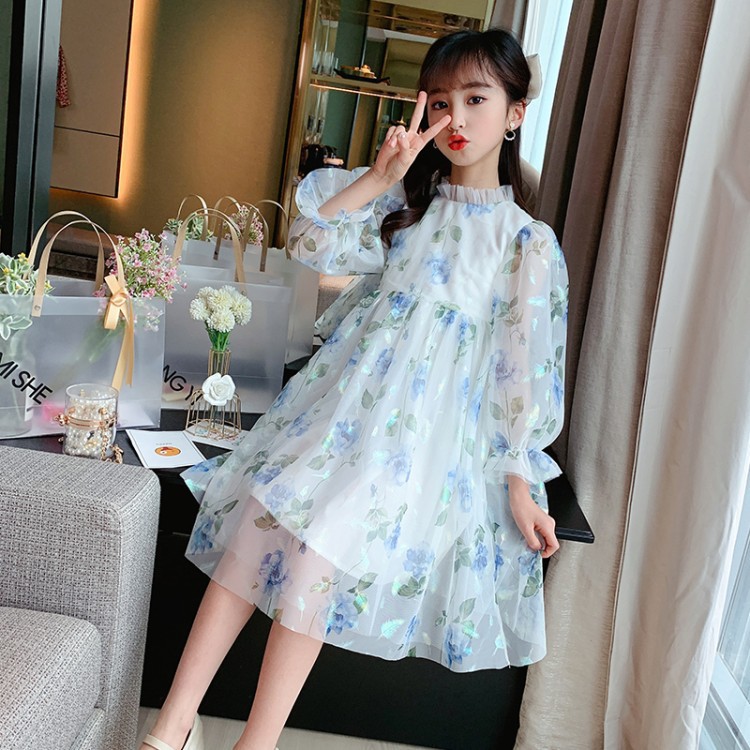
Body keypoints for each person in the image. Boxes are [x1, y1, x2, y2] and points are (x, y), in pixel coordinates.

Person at [141, 27, 568, 750]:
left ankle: (254, 743)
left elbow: (522, 371)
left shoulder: (524, 241)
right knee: (258, 523)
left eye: (476, 100)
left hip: (419, 445)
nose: (456, 120)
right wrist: (380, 175)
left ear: (515, 114)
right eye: (440, 102)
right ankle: (171, 727)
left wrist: (519, 479)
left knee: (317, 557)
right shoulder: (404, 205)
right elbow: (309, 245)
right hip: (340, 413)